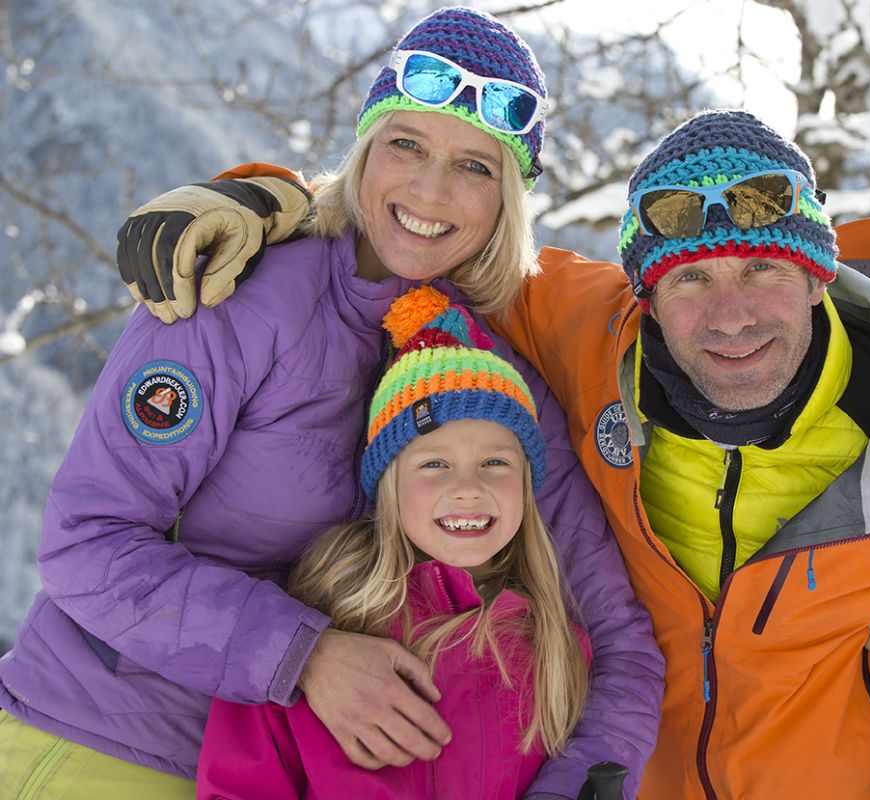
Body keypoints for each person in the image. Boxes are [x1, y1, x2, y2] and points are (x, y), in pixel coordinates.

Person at [110, 110, 870, 799]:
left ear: (819, 273)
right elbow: (420, 226)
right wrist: (264, 197)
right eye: (689, 279)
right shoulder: (588, 335)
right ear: (645, 290)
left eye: (764, 270)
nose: (730, 316)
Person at [0, 8, 663, 800]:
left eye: (476, 167)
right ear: (365, 152)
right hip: (104, 739)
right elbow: (87, 543)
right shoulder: (238, 296)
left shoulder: (488, 379)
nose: (429, 189)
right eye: (406, 144)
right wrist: (303, 655)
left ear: (506, 201)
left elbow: (620, 637)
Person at [197, 286, 592, 799]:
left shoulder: (557, 648)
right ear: (389, 484)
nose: (468, 487)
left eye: (496, 463)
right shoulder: (315, 624)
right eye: (434, 464)